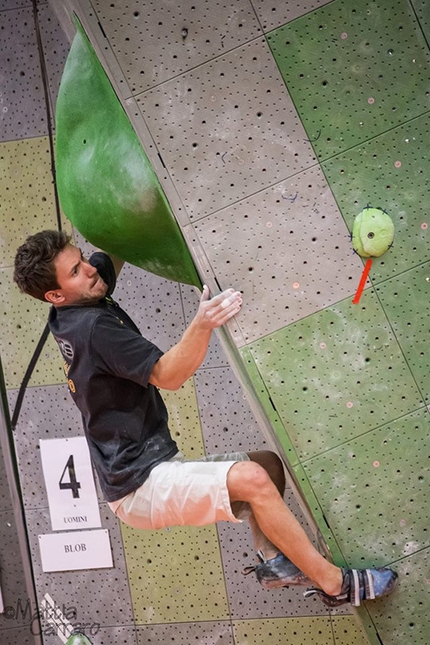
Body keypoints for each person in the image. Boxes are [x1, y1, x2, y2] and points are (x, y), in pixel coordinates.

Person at [14, 230, 397, 607]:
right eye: (76, 270)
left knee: (267, 466)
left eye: (81, 258)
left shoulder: (70, 307)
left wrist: (124, 214)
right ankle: (337, 585)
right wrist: (202, 323)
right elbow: (169, 375)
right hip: (139, 485)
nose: (89, 269)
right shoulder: (93, 329)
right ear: (55, 294)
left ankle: (273, 560)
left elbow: (110, 253)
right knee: (253, 480)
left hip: (146, 468)